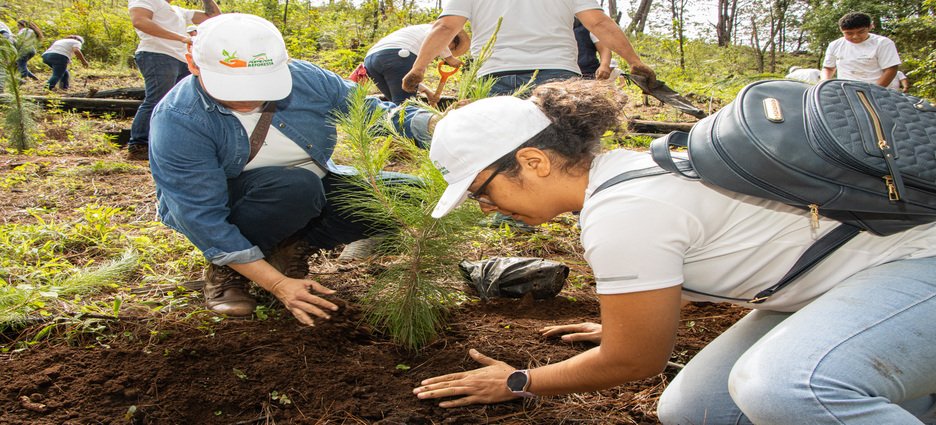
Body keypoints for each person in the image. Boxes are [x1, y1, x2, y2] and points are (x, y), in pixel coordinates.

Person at [414, 79, 936, 424]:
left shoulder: (622, 212)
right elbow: (725, 243)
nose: (484, 207)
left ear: (533, 161)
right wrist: (638, 315)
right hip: (849, 278)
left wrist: (518, 380)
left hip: (915, 263)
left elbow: (635, 360)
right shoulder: (627, 169)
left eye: (481, 189)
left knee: (789, 386)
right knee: (698, 410)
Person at [148, 14, 436, 323]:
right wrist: (277, 285)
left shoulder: (308, 80)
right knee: (296, 188)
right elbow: (200, 215)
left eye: (259, 84)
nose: (248, 97)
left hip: (309, 189)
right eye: (232, 86)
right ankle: (227, 270)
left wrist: (432, 124)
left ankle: (289, 247)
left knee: (411, 193)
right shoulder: (179, 117)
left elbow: (370, 113)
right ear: (193, 64)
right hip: (242, 201)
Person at [402, 0, 655, 96]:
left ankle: (511, 213)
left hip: (494, 74)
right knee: (565, 147)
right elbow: (598, 22)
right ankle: (581, 209)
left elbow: (445, 28)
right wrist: (633, 61)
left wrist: (419, 67)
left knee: (505, 152)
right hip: (557, 73)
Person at [126, 0, 221, 161]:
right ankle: (139, 144)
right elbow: (140, 21)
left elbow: (214, 17)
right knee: (157, 99)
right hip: (157, 54)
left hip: (180, 59)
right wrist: (182, 38)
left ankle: (171, 142)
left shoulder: (178, 11)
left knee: (183, 102)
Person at [363, 24, 469, 104]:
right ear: (449, 38)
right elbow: (439, 38)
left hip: (371, 60)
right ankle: (408, 133)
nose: (446, 50)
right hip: (398, 55)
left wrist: (427, 91)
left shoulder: (417, 35)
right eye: (450, 48)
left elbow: (405, 79)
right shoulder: (437, 30)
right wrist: (449, 58)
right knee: (406, 105)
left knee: (397, 104)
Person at [821, 12, 900, 88]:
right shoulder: (835, 45)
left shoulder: (883, 43)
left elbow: (891, 69)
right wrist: (825, 84)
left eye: (861, 32)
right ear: (841, 30)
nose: (855, 36)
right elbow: (828, 68)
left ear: (870, 27)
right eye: (849, 33)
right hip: (846, 90)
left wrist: (875, 90)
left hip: (877, 90)